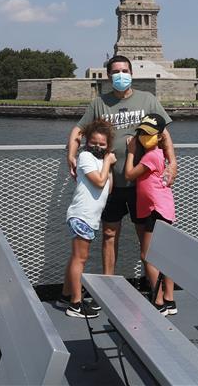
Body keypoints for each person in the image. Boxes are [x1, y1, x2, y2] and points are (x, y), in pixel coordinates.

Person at [67, 54, 177, 277]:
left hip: (141, 184)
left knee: (145, 237)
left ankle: (156, 291)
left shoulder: (147, 100)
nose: (120, 75)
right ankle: (109, 285)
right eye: (116, 72)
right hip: (110, 183)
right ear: (108, 76)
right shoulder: (99, 103)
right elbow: (78, 131)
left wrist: (172, 163)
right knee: (109, 234)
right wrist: (71, 155)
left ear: (132, 74)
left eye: (124, 71)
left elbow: (164, 134)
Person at [60, 119, 117, 319]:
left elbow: (109, 189)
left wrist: (107, 165)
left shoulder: (101, 162)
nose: (97, 147)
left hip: (89, 218)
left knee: (76, 257)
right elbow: (100, 182)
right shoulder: (84, 156)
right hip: (81, 215)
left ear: (108, 145)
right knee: (80, 258)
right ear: (87, 143)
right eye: (94, 142)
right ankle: (75, 304)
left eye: (102, 144)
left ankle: (66, 295)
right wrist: (109, 163)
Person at [124, 113, 177, 315]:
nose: (143, 137)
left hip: (156, 209)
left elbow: (129, 175)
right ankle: (169, 299)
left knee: (147, 254)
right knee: (165, 256)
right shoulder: (157, 154)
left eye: (149, 134)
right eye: (141, 132)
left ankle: (158, 301)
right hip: (159, 208)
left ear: (160, 136)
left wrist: (130, 152)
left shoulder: (152, 155)